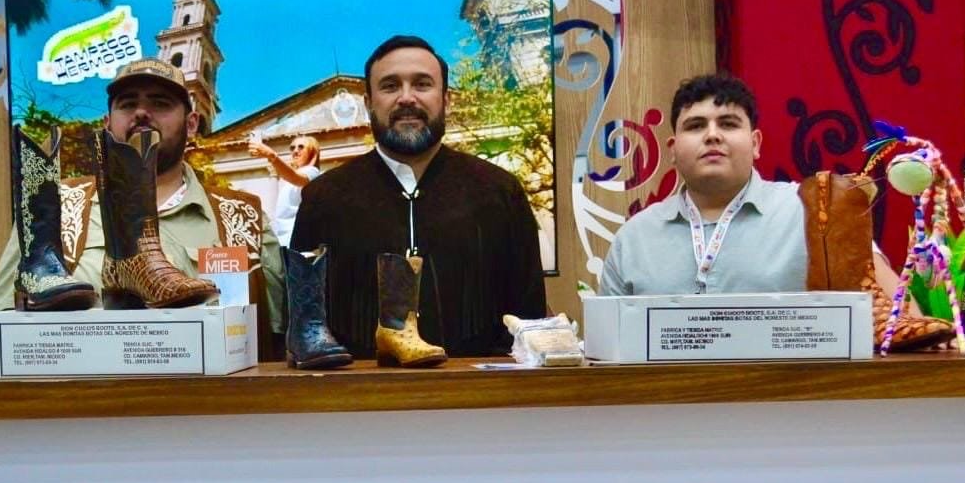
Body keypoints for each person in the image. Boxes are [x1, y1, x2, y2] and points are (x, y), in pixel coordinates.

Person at [0, 57, 285, 344]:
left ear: (192, 123)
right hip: (83, 377)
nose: (142, 112)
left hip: (211, 378)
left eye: (161, 103)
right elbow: (0, 326)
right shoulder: (59, 204)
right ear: (107, 122)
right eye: (128, 104)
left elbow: (276, 341)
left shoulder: (242, 216)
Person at [290, 34, 546, 357]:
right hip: (356, 388)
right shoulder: (322, 199)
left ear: (446, 100)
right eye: (390, 86)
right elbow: (303, 330)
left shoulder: (501, 193)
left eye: (422, 84)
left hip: (479, 387)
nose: (406, 98)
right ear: (368, 103)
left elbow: (529, 322)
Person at [597, 73, 807, 296]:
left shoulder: (807, 214)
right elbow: (608, 320)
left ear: (755, 144)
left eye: (728, 124)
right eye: (696, 126)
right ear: (673, 149)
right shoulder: (633, 239)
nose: (712, 135)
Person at [248, 133, 320, 248]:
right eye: (292, 148)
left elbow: (295, 177)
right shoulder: (295, 177)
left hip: (298, 243)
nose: (295, 151)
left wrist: (272, 156)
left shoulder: (312, 172)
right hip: (285, 242)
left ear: (313, 153)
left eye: (301, 147)